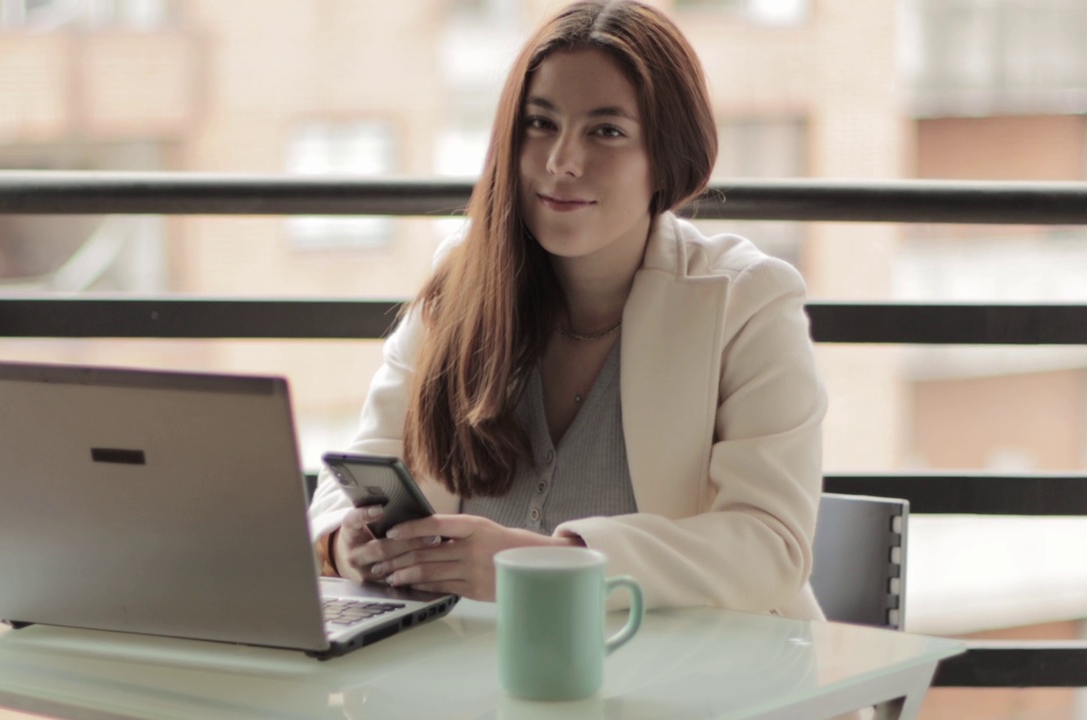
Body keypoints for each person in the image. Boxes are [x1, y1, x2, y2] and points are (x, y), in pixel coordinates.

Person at [308, 0, 827, 619]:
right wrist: (347, 543)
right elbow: (357, 476)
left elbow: (771, 548)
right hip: (472, 682)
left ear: (665, 156)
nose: (562, 162)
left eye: (605, 131)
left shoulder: (747, 300)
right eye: (540, 124)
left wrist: (543, 566)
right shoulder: (461, 284)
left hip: (698, 683)